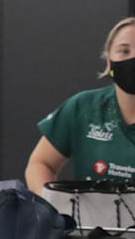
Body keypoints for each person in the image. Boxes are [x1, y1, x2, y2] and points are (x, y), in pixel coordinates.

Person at [26, 16, 135, 226]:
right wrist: (53, 210)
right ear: (109, 61)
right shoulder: (83, 107)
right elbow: (40, 163)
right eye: (124, 51)